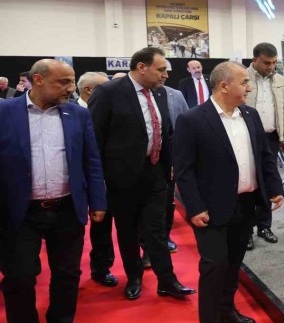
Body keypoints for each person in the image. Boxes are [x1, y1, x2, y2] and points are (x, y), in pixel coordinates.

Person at [174, 61, 284, 323]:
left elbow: (264, 156)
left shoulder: (250, 115)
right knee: (214, 267)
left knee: (234, 263)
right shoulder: (192, 119)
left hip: (246, 204)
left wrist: (275, 188)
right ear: (224, 86)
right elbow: (183, 170)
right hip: (210, 210)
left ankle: (226, 310)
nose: (249, 87)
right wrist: (194, 207)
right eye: (244, 82)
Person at [0, 59, 107, 323]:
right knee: (19, 276)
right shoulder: (5, 112)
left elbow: (91, 160)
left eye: (72, 81)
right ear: (38, 80)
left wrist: (98, 201)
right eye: (64, 82)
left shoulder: (78, 114)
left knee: (67, 273)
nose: (71, 88)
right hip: (19, 212)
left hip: (67, 209)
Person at [88, 47, 195, 301]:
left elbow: (165, 131)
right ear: (141, 67)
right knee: (127, 231)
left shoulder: (159, 92)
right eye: (161, 69)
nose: (166, 75)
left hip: (156, 173)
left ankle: (167, 280)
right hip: (121, 178)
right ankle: (134, 277)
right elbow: (94, 139)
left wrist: (170, 164)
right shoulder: (108, 93)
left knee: (156, 230)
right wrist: (98, 180)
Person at [72, 71, 119, 288]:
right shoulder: (68, 111)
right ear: (89, 90)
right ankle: (69, 273)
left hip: (105, 179)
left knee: (102, 226)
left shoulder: (111, 111)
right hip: (73, 182)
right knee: (72, 231)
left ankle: (101, 268)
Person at [244, 42, 284, 250]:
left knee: (267, 182)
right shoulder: (242, 78)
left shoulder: (281, 81)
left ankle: (264, 226)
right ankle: (246, 230)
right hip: (245, 136)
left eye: (274, 62)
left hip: (271, 138)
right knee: (247, 183)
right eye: (266, 63)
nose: (271, 67)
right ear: (254, 59)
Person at [142, 84, 189, 267]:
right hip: (140, 164)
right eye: (160, 71)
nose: (165, 75)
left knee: (167, 203)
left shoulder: (175, 95)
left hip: (169, 160)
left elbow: (184, 127)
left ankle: (164, 238)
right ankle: (146, 247)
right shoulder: (131, 96)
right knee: (144, 209)